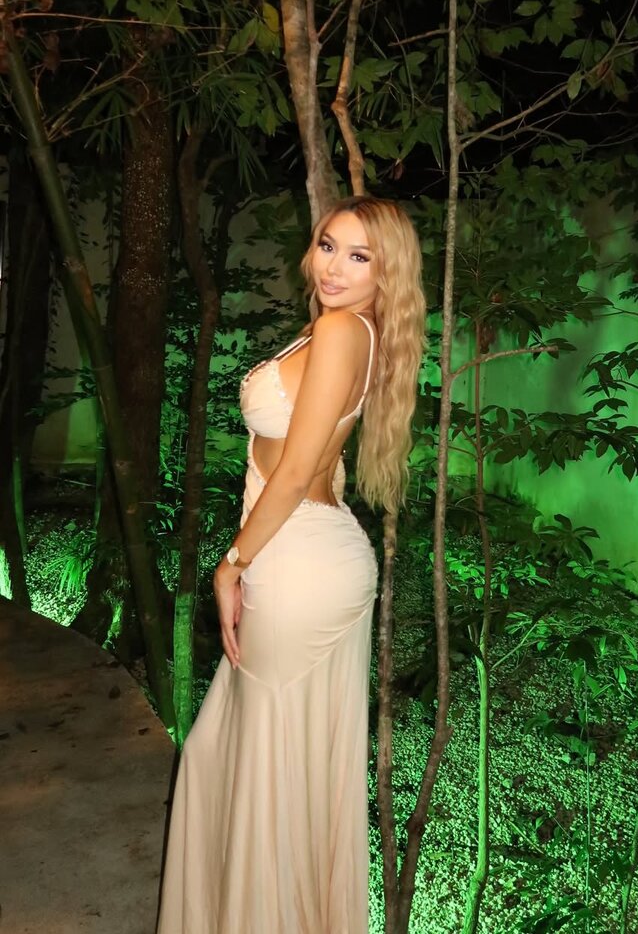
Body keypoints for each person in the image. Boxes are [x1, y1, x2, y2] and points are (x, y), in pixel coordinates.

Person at [156, 196, 427, 934]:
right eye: (328, 245)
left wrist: (231, 564)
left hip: (296, 563)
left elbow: (301, 465)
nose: (334, 267)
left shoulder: (342, 330)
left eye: (359, 256)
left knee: (256, 765)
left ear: (386, 271)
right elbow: (324, 463)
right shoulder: (347, 330)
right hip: (314, 553)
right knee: (257, 762)